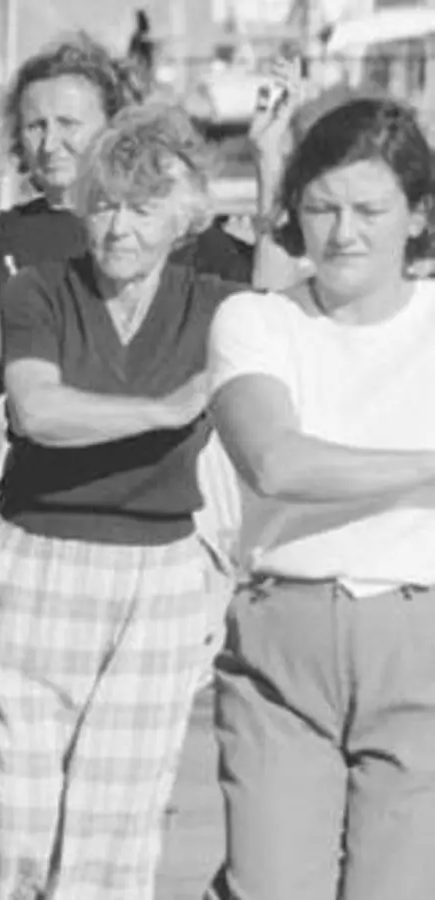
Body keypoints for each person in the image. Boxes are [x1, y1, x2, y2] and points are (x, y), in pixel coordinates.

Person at [0, 102, 238, 900]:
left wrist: (266, 148)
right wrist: (168, 409)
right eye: (106, 205)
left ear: (185, 219)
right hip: (38, 562)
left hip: (159, 572)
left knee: (116, 823)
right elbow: (38, 413)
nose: (119, 228)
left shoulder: (219, 306)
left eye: (143, 209)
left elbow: (304, 304)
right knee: (16, 813)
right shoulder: (39, 293)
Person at [205, 97, 435, 900]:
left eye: (370, 210)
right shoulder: (256, 320)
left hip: (419, 639)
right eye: (322, 208)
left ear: (417, 217)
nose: (343, 233)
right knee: (270, 886)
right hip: (283, 639)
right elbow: (273, 461)